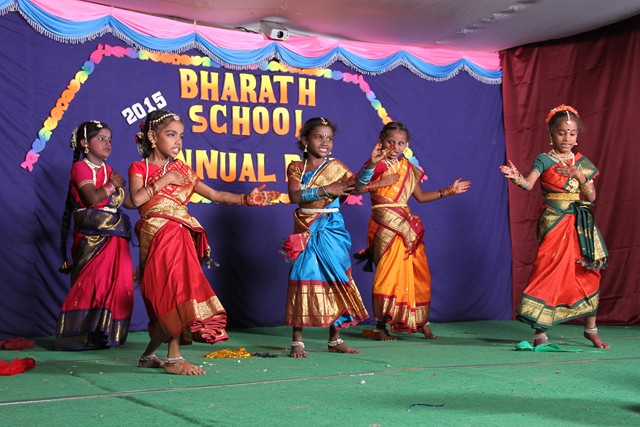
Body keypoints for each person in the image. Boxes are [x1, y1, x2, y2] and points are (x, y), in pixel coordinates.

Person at [129, 110, 280, 375]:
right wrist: (164, 180)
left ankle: (160, 357)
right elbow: (136, 201)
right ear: (152, 137)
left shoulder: (182, 170)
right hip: (156, 236)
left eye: (181, 136)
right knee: (165, 295)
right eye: (171, 135)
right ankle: (171, 360)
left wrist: (246, 199)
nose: (178, 141)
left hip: (179, 236)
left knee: (179, 290)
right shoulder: (140, 168)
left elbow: (216, 194)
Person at [500, 104, 609, 348]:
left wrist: (578, 175)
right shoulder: (544, 159)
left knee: (588, 272)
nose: (567, 138)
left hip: (580, 224)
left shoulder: (581, 163)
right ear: (551, 134)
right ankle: (540, 332)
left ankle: (590, 328)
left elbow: (591, 197)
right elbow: (528, 185)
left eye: (572, 133)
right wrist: (516, 177)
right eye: (561, 132)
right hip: (554, 221)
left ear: (577, 136)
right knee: (549, 271)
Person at [356, 121, 470, 341]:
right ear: (381, 142)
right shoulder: (376, 164)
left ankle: (420, 321)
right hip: (385, 226)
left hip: (406, 226)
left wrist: (449, 190)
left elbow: (421, 197)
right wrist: (379, 183)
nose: (395, 147)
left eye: (400, 143)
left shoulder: (407, 167)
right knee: (388, 275)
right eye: (391, 142)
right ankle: (380, 326)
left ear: (406, 145)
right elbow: (358, 188)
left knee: (418, 273)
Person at [282, 117, 378, 358]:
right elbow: (295, 196)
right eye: (318, 137)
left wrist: (370, 164)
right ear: (305, 140)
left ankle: (335, 339)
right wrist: (327, 190)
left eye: (329, 138)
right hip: (306, 227)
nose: (325, 142)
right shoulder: (296, 167)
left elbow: (356, 187)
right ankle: (297, 341)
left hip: (333, 227)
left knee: (337, 277)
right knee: (302, 276)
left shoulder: (337, 166)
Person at [54, 120, 134, 350]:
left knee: (118, 283)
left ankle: (106, 334)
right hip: (92, 238)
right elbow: (91, 198)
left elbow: (128, 202)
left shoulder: (110, 172)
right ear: (84, 144)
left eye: (109, 139)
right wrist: (112, 185)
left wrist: (151, 188)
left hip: (115, 236)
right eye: (101, 139)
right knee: (93, 283)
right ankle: (80, 336)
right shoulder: (81, 168)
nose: (107, 144)